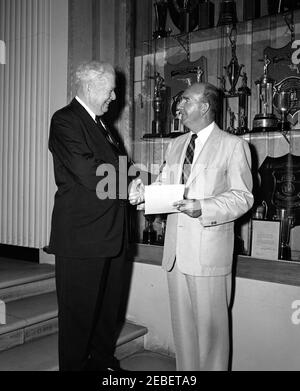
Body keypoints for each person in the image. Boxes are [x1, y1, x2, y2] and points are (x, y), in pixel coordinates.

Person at [129, 82, 253, 371]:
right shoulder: (176, 144)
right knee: (183, 334)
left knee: (212, 336)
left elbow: (242, 197)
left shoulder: (234, 146)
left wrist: (204, 207)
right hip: (175, 255)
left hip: (208, 255)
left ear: (205, 107)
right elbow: (165, 186)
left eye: (185, 101)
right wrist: (143, 195)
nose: (178, 107)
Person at [48, 61, 128, 371]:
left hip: (112, 235)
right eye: (110, 90)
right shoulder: (66, 120)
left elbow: (119, 169)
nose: (113, 97)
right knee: (78, 319)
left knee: (108, 313)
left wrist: (149, 184)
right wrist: (132, 186)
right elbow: (88, 172)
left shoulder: (102, 125)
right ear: (91, 88)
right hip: (82, 238)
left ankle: (104, 364)